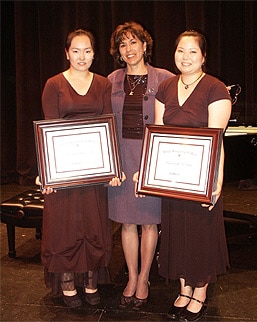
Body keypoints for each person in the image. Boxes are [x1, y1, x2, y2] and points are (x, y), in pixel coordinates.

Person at [154, 30, 231, 321]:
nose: (185, 57)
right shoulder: (165, 87)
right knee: (177, 234)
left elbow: (217, 141)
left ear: (203, 56)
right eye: (180, 51)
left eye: (192, 52)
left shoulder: (215, 89)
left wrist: (217, 183)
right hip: (173, 176)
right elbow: (159, 136)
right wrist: (154, 173)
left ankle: (200, 291)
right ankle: (184, 288)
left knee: (201, 234)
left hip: (201, 178)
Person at [39, 29, 114, 308]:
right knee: (65, 228)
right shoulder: (54, 84)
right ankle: (68, 283)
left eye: (87, 51)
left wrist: (112, 168)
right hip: (64, 169)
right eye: (76, 51)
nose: (82, 57)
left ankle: (91, 282)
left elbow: (107, 124)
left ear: (94, 53)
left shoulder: (104, 84)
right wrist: (47, 172)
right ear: (67, 53)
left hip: (94, 168)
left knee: (94, 226)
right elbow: (49, 129)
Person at [107, 21, 174, 310]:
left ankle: (145, 278)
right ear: (118, 52)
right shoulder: (110, 80)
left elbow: (171, 125)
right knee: (126, 222)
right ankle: (131, 278)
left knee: (149, 222)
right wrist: (112, 164)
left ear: (145, 45)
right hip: (122, 160)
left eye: (134, 42)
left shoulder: (166, 79)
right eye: (123, 44)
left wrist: (153, 164)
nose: (129, 49)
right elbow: (105, 124)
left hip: (151, 159)